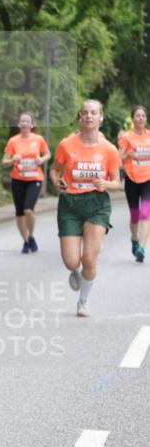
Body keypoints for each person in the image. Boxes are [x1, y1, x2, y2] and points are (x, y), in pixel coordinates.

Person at [49, 99, 121, 318]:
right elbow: (54, 170)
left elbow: (117, 182)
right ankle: (75, 270)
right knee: (71, 261)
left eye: (93, 113)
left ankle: (83, 302)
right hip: (70, 204)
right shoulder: (66, 145)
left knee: (89, 257)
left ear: (101, 117)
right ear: (80, 117)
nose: (89, 116)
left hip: (97, 204)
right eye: (85, 113)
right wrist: (57, 183)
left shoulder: (109, 150)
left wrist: (106, 184)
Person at [1, 112, 50, 253]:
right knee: (19, 213)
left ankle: (31, 235)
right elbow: (4, 161)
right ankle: (26, 241)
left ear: (32, 125)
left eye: (28, 121)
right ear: (18, 124)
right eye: (22, 121)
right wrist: (12, 160)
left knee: (28, 209)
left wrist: (41, 160)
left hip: (34, 178)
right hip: (18, 179)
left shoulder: (38, 139)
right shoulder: (13, 141)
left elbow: (48, 154)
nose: (25, 124)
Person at [118, 104, 150, 263]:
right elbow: (118, 159)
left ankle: (141, 249)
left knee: (145, 213)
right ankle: (134, 239)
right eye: (137, 116)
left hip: (148, 180)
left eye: (143, 116)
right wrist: (128, 154)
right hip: (131, 179)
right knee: (135, 216)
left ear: (146, 118)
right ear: (133, 119)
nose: (140, 118)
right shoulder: (126, 137)